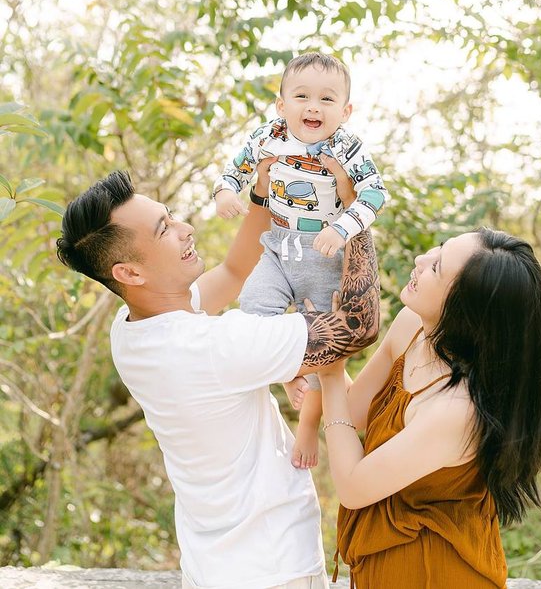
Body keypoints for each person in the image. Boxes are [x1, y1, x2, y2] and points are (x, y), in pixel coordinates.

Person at [56, 162, 380, 589]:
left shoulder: (132, 331)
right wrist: (356, 212)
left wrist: (263, 193)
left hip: (214, 567)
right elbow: (359, 325)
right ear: (130, 273)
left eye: (171, 216)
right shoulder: (212, 347)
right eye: (164, 229)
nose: (185, 228)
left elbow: (234, 270)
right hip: (271, 570)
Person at [316, 228, 541, 589]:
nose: (421, 261)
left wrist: (330, 371)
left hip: (437, 573)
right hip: (382, 568)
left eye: (437, 267)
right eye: (438, 250)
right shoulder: (411, 327)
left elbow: (354, 487)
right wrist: (320, 354)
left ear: (465, 308)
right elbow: (354, 412)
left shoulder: (458, 410)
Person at [214, 52, 388, 469]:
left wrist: (341, 228)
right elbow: (235, 169)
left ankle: (308, 423)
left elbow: (375, 195)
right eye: (302, 96)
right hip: (278, 246)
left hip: (324, 254)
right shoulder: (267, 136)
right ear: (281, 105)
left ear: (345, 111)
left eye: (327, 100)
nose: (313, 107)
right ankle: (288, 373)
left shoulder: (347, 147)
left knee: (322, 339)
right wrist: (225, 192)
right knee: (254, 308)